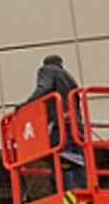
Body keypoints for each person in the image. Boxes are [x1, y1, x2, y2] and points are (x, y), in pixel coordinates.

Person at [20, 54, 85, 191]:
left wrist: (27, 104)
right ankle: (82, 187)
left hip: (60, 121)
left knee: (62, 157)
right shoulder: (69, 78)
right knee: (78, 158)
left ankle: (67, 188)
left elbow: (44, 87)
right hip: (75, 122)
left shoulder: (47, 70)